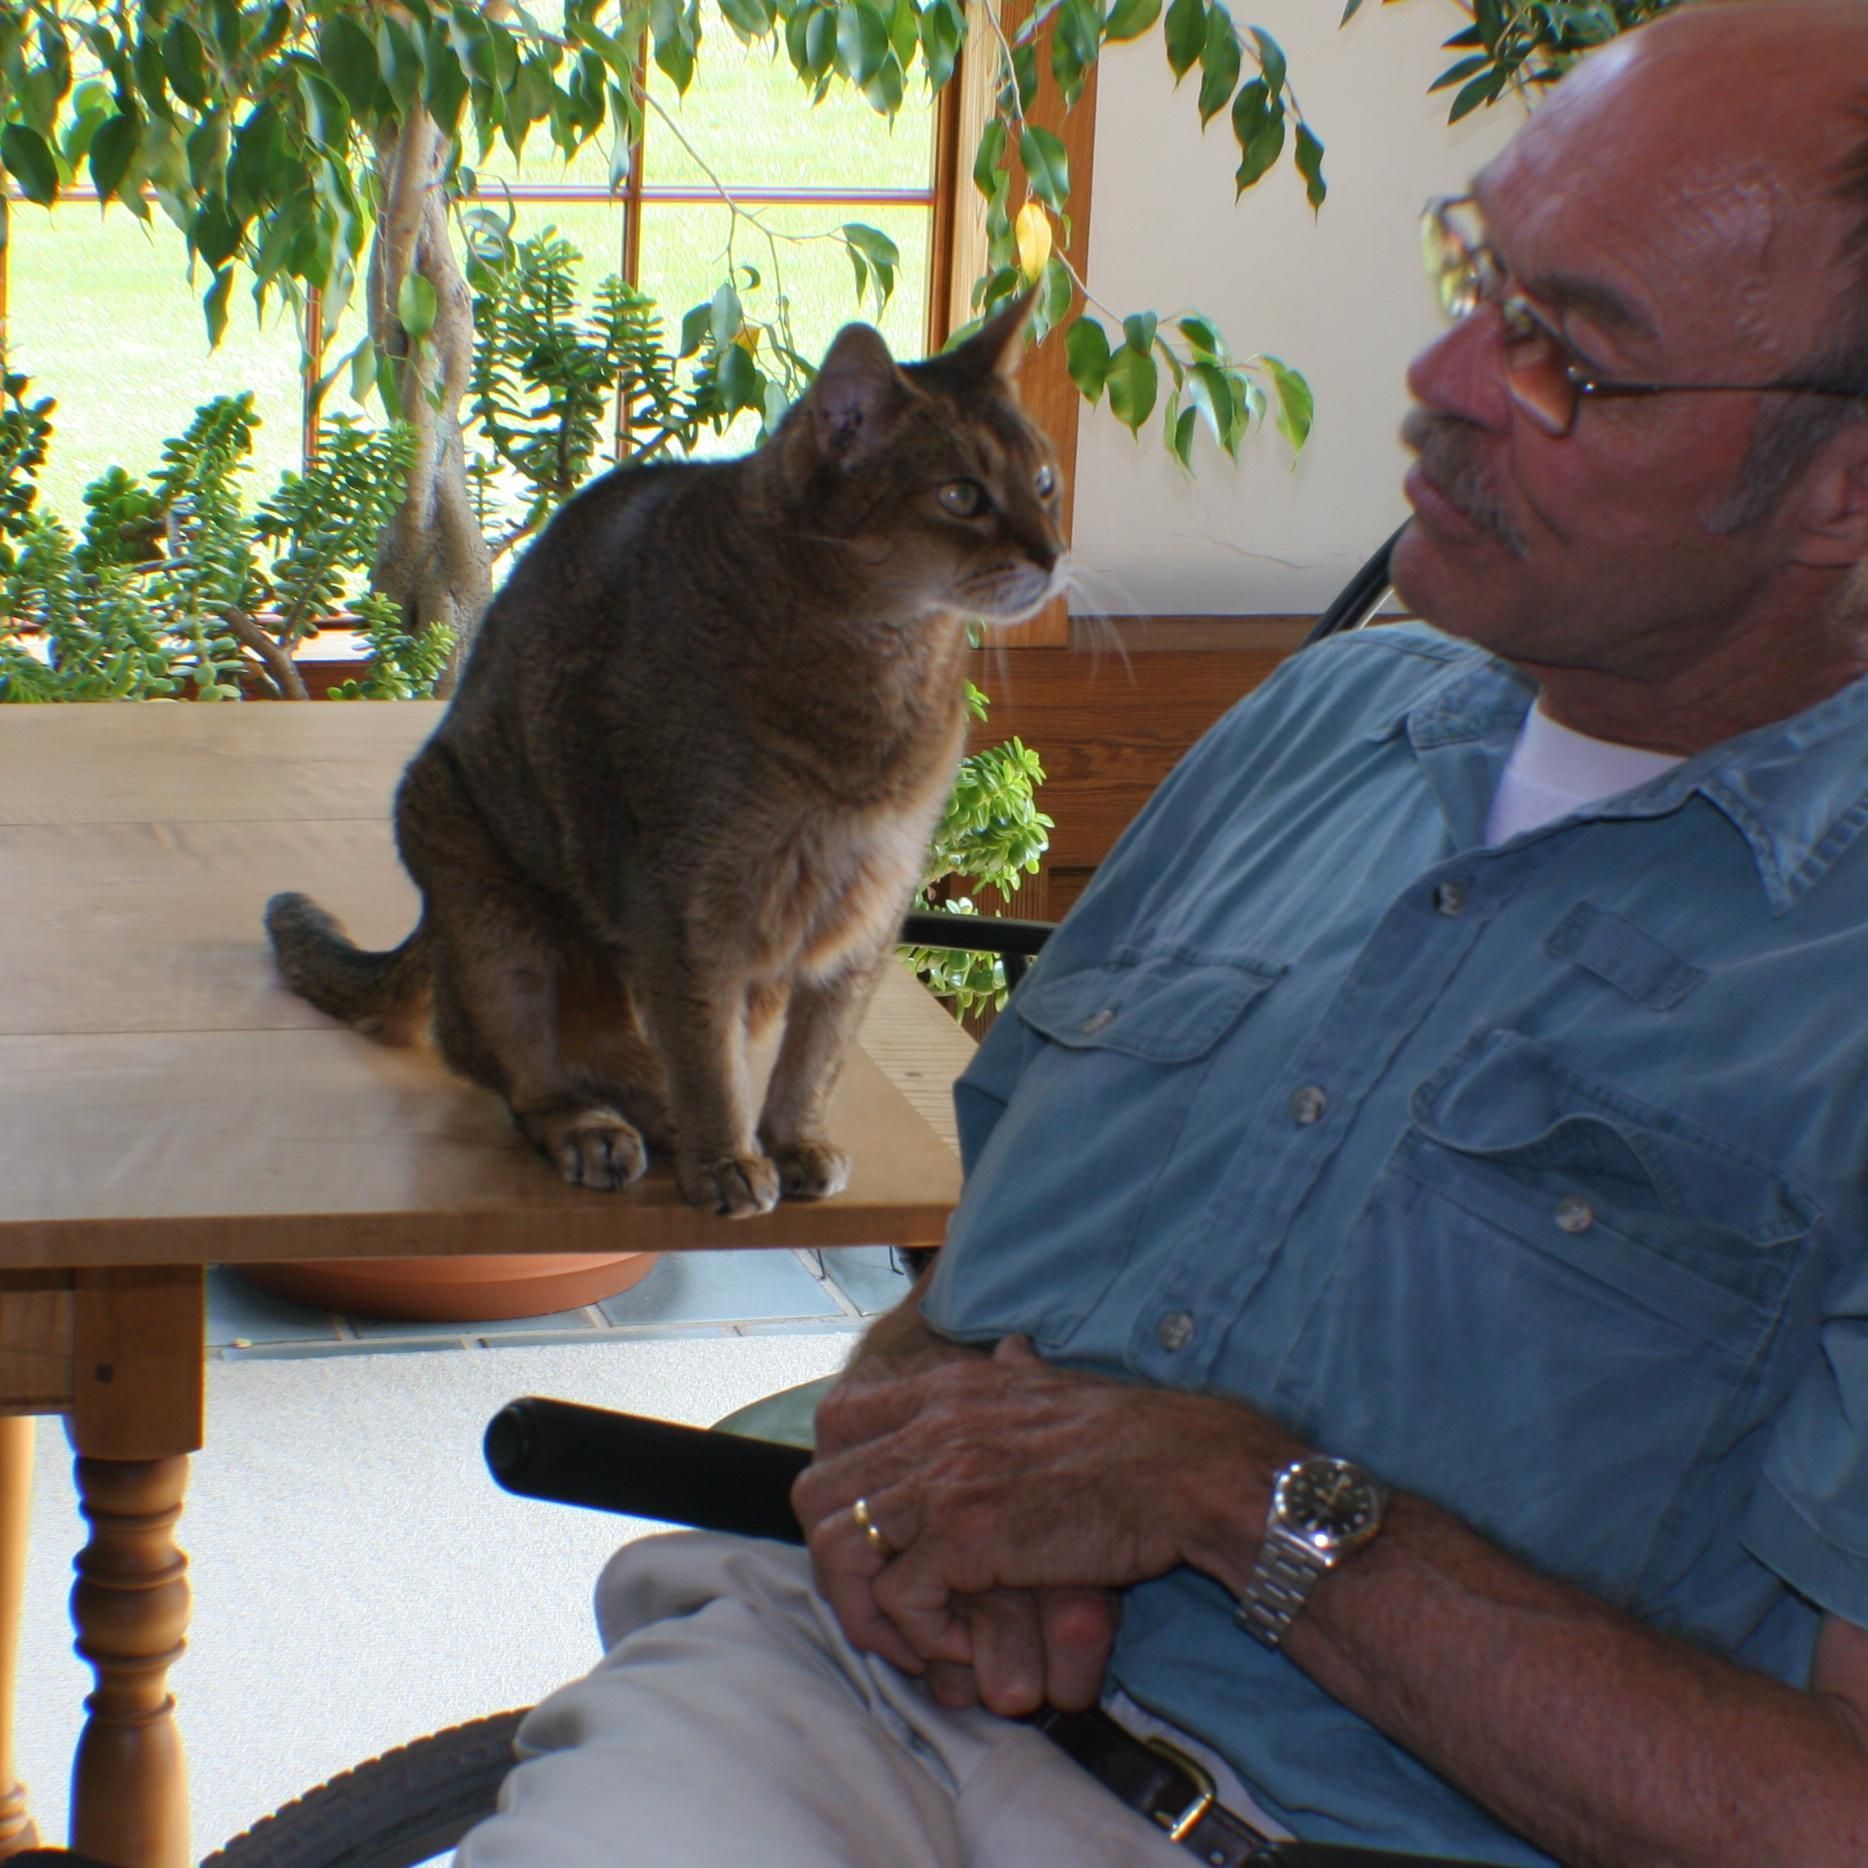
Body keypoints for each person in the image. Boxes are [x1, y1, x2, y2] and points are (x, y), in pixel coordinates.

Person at [458, 3, 1868, 1862]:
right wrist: (920, 1488)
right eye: (1476, 274)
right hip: (832, 1703)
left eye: (1567, 361)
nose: (1440, 376)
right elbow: (962, 1315)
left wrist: (1235, 1504)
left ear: (1845, 489)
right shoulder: (1316, 730)